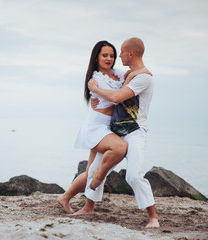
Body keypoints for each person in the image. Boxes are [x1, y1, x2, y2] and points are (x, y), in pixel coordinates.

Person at [57, 40, 150, 216]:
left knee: (90, 170)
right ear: (96, 57)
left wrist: (141, 72)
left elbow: (132, 74)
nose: (109, 58)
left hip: (110, 126)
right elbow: (117, 96)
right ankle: (99, 178)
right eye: (104, 55)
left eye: (112, 55)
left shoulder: (117, 74)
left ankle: (72, 200)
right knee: (119, 148)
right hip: (97, 126)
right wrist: (132, 76)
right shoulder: (96, 79)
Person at [88, 37, 160, 228]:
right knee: (94, 169)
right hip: (117, 130)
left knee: (133, 176)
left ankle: (153, 218)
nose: (118, 55)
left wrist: (95, 89)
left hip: (134, 131)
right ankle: (88, 208)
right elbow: (114, 91)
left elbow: (118, 97)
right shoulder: (130, 75)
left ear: (131, 53)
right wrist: (94, 99)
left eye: (120, 52)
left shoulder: (144, 78)